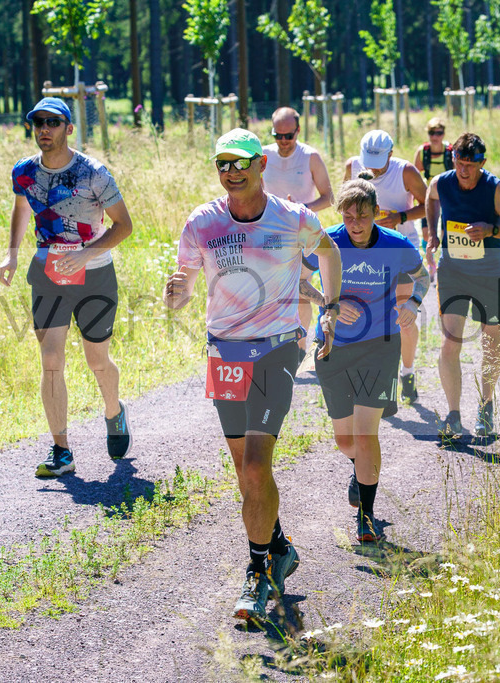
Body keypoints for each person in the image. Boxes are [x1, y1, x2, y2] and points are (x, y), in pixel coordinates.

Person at [163, 128, 343, 622]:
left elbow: (328, 251)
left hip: (278, 349)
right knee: (245, 472)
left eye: (241, 163)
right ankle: (279, 546)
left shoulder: (291, 217)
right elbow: (181, 295)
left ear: (261, 166)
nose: (232, 172)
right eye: (223, 164)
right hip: (224, 352)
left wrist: (329, 305)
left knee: (258, 464)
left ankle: (258, 572)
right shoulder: (202, 223)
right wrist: (173, 292)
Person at [0, 97, 134, 477]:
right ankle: (62, 450)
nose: (44, 128)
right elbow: (22, 208)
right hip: (47, 273)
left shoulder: (94, 172)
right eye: (38, 122)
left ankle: (114, 411)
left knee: (97, 360)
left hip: (95, 275)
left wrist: (86, 255)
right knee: (51, 360)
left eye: (52, 122)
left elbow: (124, 226)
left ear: (68, 128)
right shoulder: (24, 172)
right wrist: (12, 255)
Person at [304, 172, 430, 542]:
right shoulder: (328, 242)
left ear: (376, 212)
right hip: (333, 346)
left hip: (380, 345)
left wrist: (415, 304)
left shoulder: (395, 244)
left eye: (362, 216)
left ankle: (368, 517)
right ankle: (358, 469)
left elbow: (422, 277)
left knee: (365, 433)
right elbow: (296, 281)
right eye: (348, 217)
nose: (355, 224)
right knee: (346, 441)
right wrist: (329, 304)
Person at [426, 133, 500, 438]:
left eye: (471, 164)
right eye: (459, 162)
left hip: (488, 272)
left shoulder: (493, 188)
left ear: (483, 163)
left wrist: (491, 229)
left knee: (490, 339)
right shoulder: (441, 182)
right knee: (450, 340)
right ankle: (453, 414)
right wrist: (433, 233)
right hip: (453, 271)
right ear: (452, 158)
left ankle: (486, 404)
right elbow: (430, 200)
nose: (464, 170)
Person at [344, 130, 428, 403]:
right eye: (369, 160)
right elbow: (345, 204)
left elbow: (430, 204)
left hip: (399, 249)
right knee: (368, 316)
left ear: (391, 154)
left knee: (401, 314)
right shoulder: (352, 166)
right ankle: (372, 379)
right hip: (362, 252)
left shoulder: (406, 171)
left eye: (379, 161)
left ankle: (407, 370)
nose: (372, 166)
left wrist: (401, 216)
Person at [261, 107, 334, 365]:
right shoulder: (263, 156)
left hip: (302, 234)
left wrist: (300, 210)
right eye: (277, 135)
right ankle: (272, 346)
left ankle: (300, 351)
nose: (282, 141)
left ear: (298, 131)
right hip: (269, 234)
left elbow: (329, 197)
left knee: (301, 290)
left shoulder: (310, 157)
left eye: (288, 136)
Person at [412, 117, 453, 282]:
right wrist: (418, 195)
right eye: (431, 133)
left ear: (443, 134)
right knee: (427, 233)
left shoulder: (450, 151)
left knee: (444, 232)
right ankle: (431, 265)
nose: (435, 136)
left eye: (438, 133)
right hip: (428, 196)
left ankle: (444, 264)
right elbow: (415, 174)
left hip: (447, 195)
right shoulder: (423, 152)